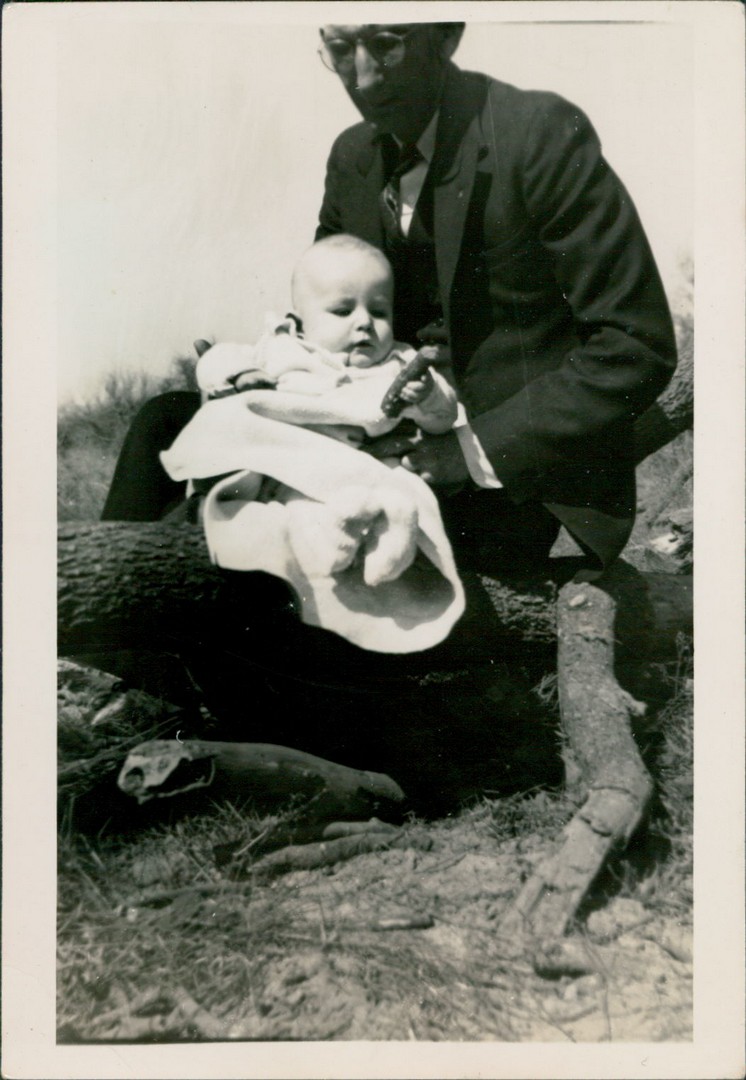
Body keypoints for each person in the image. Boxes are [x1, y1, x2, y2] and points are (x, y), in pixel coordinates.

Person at [104, 21, 677, 574]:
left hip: (496, 470)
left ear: (447, 33)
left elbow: (634, 346)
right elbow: (324, 311)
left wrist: (465, 453)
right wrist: (263, 373)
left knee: (267, 531)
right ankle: (100, 622)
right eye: (340, 47)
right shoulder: (353, 157)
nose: (363, 76)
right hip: (363, 424)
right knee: (165, 423)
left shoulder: (538, 133)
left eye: (385, 43)